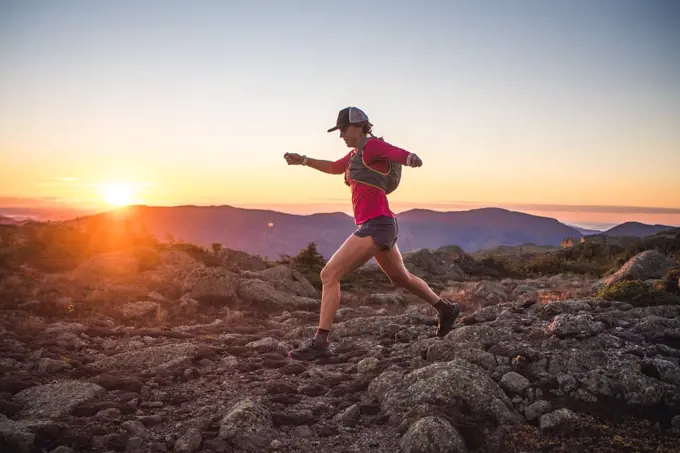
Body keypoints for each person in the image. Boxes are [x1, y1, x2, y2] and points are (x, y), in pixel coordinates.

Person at [283, 106, 460, 361]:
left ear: (358, 127)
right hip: (382, 224)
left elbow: (393, 152)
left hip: (376, 225)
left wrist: (410, 157)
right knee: (402, 278)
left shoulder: (371, 147)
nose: (341, 135)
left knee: (329, 274)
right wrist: (304, 160)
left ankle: (320, 343)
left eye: (343, 129)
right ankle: (446, 309)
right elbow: (334, 167)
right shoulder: (355, 155)